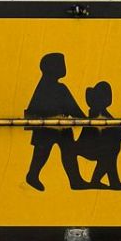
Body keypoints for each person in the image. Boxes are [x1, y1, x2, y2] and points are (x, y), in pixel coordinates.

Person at [23, 52, 86, 190]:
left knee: (67, 152)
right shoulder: (55, 88)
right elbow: (72, 107)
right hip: (48, 127)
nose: (64, 67)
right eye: (61, 64)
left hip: (59, 127)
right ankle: (33, 175)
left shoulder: (47, 86)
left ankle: (75, 179)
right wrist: (85, 119)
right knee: (42, 153)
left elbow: (71, 106)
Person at [76, 80, 121, 190]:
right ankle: (112, 181)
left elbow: (119, 130)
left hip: (96, 147)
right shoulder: (99, 115)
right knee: (110, 151)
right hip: (90, 148)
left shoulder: (99, 114)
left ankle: (98, 180)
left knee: (110, 151)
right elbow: (119, 131)